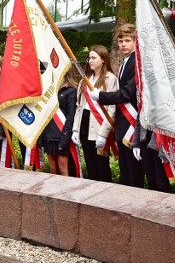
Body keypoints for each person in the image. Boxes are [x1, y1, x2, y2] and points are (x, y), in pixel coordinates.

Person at [91, 24, 144, 188]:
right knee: (125, 173)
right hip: (123, 124)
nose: (123, 44)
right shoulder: (125, 61)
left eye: (127, 40)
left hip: (132, 124)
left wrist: (102, 96)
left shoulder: (137, 62)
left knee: (133, 175)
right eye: (121, 41)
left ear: (135, 41)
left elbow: (128, 93)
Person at [72, 46, 118, 182]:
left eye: (93, 58)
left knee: (101, 166)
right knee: (90, 163)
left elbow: (112, 109)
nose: (90, 61)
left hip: (99, 125)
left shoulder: (111, 78)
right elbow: (79, 107)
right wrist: (76, 129)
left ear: (103, 60)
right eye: (89, 58)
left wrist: (103, 134)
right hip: (85, 123)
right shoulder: (85, 80)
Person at [42, 67, 78, 176]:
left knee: (63, 169)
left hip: (62, 135)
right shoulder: (48, 92)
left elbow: (71, 116)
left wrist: (65, 138)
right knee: (53, 170)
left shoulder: (71, 91)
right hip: (49, 135)